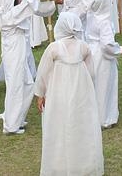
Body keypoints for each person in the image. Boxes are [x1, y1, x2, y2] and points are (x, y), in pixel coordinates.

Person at [34, 12, 104, 176]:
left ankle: (60, 164)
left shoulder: (53, 48)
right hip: (80, 91)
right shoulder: (83, 47)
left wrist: (40, 93)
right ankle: (82, 164)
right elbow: (91, 72)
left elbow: (43, 72)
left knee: (59, 125)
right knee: (80, 124)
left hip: (58, 92)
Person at [0, 0, 40, 135]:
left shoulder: (10, 12)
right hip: (13, 54)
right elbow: (31, 5)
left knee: (27, 85)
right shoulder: (9, 15)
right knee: (15, 87)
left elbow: (28, 4)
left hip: (18, 52)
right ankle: (10, 126)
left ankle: (16, 118)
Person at [85, 0, 122, 128]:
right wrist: (121, 50)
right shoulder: (104, 22)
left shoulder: (91, 14)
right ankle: (104, 118)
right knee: (104, 86)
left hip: (91, 53)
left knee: (94, 85)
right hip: (102, 57)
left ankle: (93, 116)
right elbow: (107, 45)